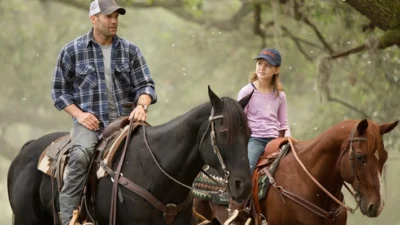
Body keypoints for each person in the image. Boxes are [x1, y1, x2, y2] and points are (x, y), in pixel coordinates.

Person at [51, 0, 157, 224]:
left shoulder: (130, 50)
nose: (114, 21)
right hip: (90, 123)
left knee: (155, 153)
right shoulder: (72, 51)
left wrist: (141, 105)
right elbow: (59, 93)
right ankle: (68, 217)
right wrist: (79, 115)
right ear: (93, 19)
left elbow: (146, 86)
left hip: (125, 122)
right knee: (80, 157)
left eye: (116, 17)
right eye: (109, 16)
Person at [237, 48, 290, 174]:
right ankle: (239, 193)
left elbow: (283, 123)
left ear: (276, 70)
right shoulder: (247, 91)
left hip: (275, 139)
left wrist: (288, 139)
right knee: (248, 168)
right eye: (259, 64)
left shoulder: (280, 95)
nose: (262, 68)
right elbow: (239, 121)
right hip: (255, 139)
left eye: (268, 65)